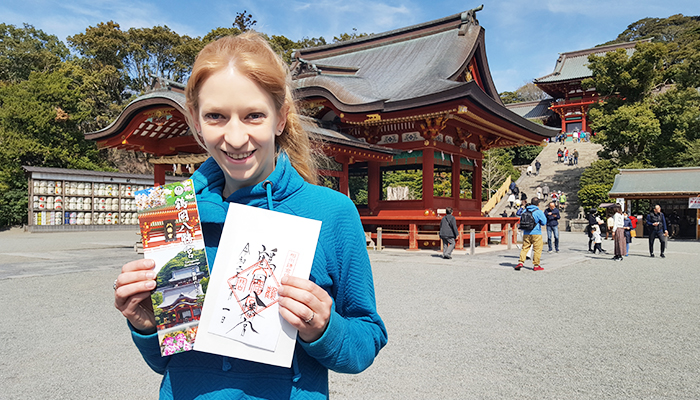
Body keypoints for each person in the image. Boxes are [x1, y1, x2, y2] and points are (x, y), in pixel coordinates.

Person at [113, 33, 387, 399]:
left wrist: (324, 327)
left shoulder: (332, 213)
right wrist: (147, 326)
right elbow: (169, 363)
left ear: (280, 119)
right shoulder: (174, 215)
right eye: (216, 117)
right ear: (195, 121)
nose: (236, 137)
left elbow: (366, 339)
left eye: (253, 115)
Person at [515, 197, 547, 271]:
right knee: (537, 249)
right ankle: (536, 265)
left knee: (525, 248)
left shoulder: (525, 210)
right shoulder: (538, 211)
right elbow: (544, 222)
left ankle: (521, 262)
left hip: (526, 232)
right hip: (536, 233)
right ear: (538, 204)